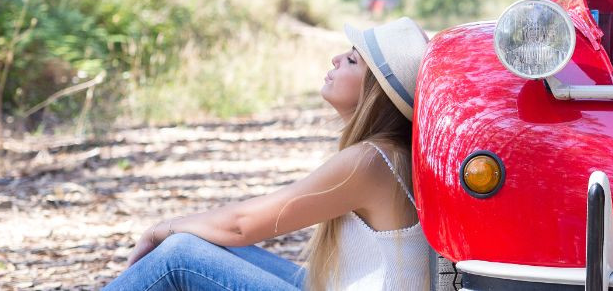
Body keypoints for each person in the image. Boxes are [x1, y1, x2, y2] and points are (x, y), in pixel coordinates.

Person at [104, 18, 433, 291]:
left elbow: (241, 225)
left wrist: (160, 229)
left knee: (179, 253)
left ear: (375, 91)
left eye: (351, 60)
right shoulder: (391, 153)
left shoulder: (371, 160)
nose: (335, 58)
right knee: (205, 241)